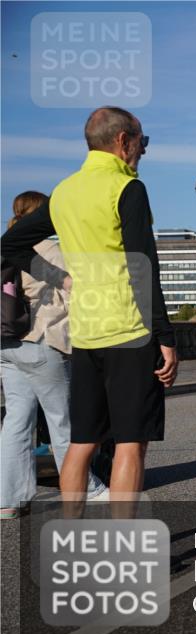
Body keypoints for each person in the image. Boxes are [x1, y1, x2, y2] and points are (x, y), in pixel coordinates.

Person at [1, 106, 178, 517]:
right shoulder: (127, 189)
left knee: (81, 443)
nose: (143, 151)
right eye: (142, 142)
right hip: (129, 330)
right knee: (131, 442)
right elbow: (142, 265)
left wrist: (61, 278)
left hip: (84, 334)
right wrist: (165, 336)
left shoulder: (65, 191)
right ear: (123, 140)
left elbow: (9, 246)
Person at [1, 192, 107, 519]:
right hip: (43, 342)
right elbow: (77, 296)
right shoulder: (51, 250)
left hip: (8, 344)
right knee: (63, 421)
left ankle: (9, 499)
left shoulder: (5, 246)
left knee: (17, 421)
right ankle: (86, 487)